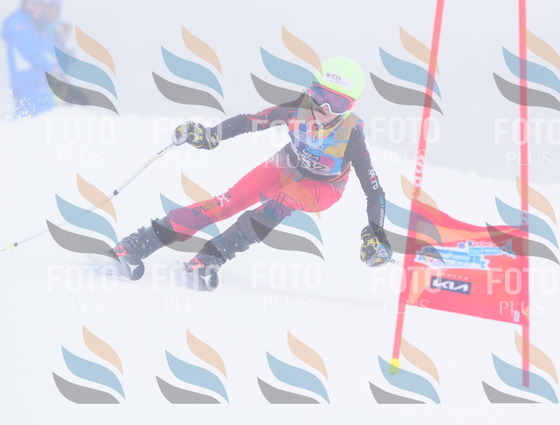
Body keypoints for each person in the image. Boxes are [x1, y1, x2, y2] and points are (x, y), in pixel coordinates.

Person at [113, 57, 393, 290]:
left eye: (337, 104)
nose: (324, 108)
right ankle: (139, 243)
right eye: (319, 96)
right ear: (310, 90)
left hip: (324, 187)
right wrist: (210, 135)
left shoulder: (351, 136)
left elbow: (374, 191)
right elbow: (250, 121)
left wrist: (376, 233)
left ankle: (212, 256)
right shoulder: (296, 109)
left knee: (284, 201)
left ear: (350, 108)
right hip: (288, 164)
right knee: (228, 202)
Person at [2, 0, 59, 117]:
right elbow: (29, 50)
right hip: (27, 82)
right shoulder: (19, 22)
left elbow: (48, 50)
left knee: (44, 116)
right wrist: (51, 67)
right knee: (37, 117)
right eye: (32, 2)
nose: (35, 6)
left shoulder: (34, 23)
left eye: (39, 3)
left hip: (39, 82)